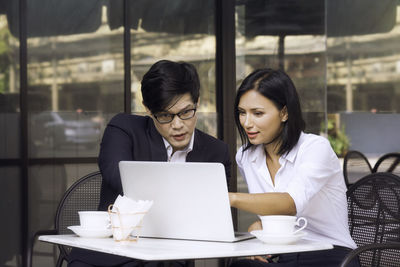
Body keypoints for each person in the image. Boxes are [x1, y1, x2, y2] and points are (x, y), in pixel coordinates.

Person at [68, 60, 231, 267]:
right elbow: (117, 176)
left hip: (172, 257)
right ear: (147, 109)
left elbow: (214, 214)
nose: (178, 125)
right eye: (165, 116)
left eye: (186, 112)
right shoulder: (125, 130)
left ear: (197, 103)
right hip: (111, 254)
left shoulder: (216, 151)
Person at [228, 68, 359, 267]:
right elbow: (276, 216)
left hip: (330, 254)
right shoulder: (246, 157)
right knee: (241, 265)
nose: (247, 123)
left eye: (258, 113)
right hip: (286, 254)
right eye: (242, 113)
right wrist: (260, 226)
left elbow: (289, 204)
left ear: (284, 113)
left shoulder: (315, 148)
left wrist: (231, 197)